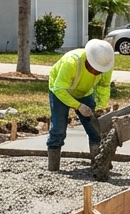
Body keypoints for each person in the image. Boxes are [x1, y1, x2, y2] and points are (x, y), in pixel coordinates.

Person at [45, 39, 115, 171]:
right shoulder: (71, 62)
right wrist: (78, 106)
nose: (97, 72)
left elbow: (104, 86)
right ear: (88, 60)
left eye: (100, 70)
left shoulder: (105, 64)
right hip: (60, 91)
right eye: (95, 69)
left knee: (95, 129)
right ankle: (53, 168)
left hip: (84, 92)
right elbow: (59, 89)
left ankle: (98, 164)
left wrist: (101, 105)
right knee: (58, 129)